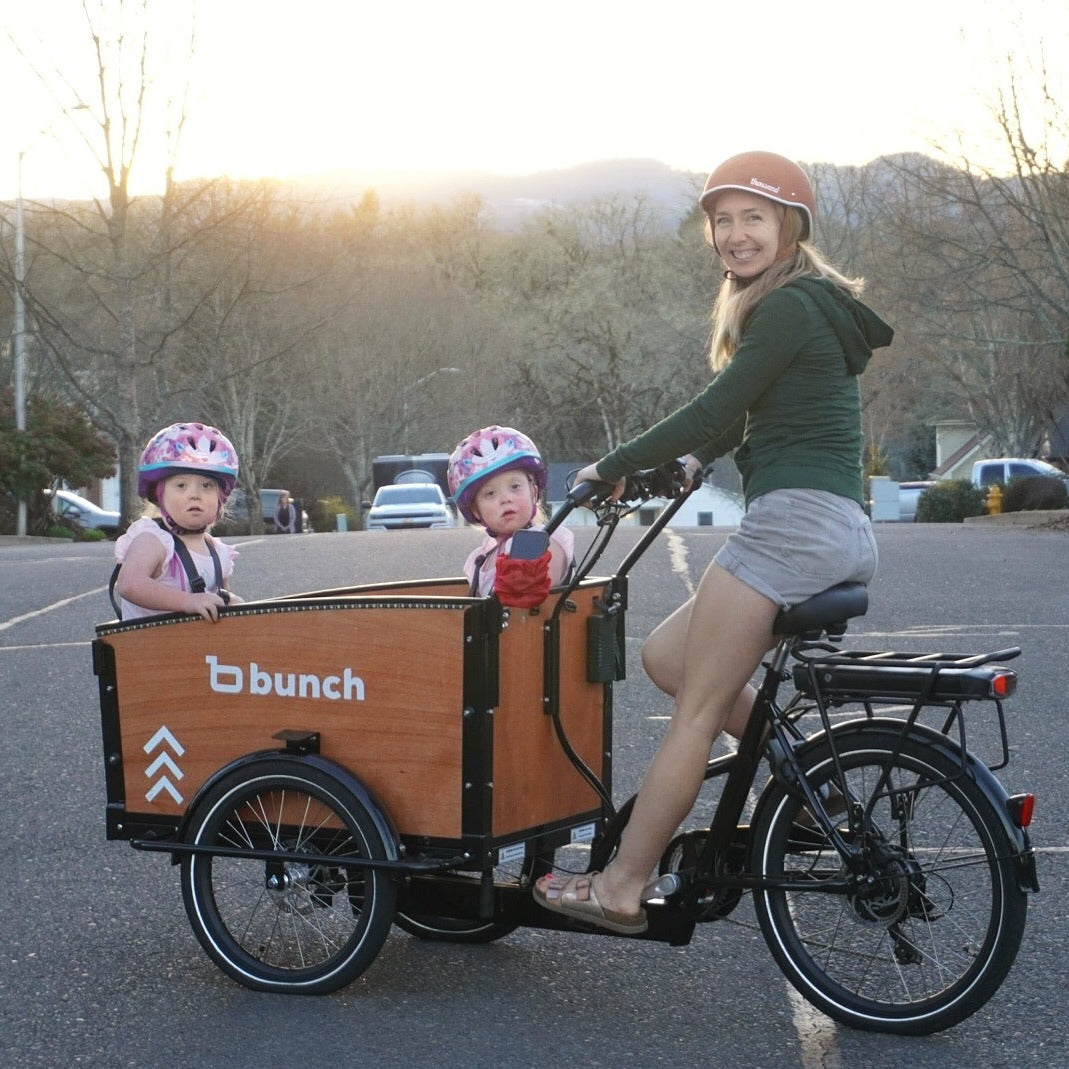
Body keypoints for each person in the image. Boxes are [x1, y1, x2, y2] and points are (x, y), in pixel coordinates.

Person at [533, 150, 893, 934]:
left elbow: (713, 405)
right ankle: (814, 788)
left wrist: (612, 464)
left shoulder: (789, 306)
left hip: (792, 527)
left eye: (752, 218)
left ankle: (622, 883)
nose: (734, 234)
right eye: (722, 220)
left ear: (789, 227)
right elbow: (738, 419)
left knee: (693, 714)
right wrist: (690, 462)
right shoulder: (807, 305)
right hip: (830, 525)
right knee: (668, 656)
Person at [113, 422, 243, 622]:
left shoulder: (219, 553)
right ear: (159, 494)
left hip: (197, 651)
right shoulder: (153, 540)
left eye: (206, 486)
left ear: (220, 498)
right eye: (181, 485)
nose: (194, 495)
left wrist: (229, 603)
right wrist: (186, 601)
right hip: (148, 649)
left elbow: (216, 604)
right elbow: (129, 584)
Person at [448, 425, 574, 604]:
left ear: (534, 492)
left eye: (515, 487)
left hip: (538, 630)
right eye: (490, 494)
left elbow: (534, 597)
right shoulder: (482, 558)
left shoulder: (545, 541)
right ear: (476, 511)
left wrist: (523, 575)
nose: (505, 499)